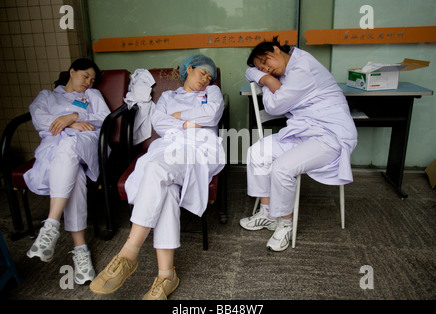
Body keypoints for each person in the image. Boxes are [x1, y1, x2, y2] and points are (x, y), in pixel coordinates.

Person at [90, 54, 225, 299]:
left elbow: (212, 116)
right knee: (167, 190)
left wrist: (179, 120)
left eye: (209, 77)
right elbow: (159, 124)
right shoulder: (167, 97)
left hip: (200, 150)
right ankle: (166, 275)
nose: (206, 79)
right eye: (201, 73)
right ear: (189, 69)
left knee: (157, 170)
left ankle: (128, 253)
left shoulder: (212, 93)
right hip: (167, 150)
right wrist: (191, 121)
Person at [239, 37, 358, 251]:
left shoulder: (302, 68)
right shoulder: (289, 65)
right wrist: (264, 75)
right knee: (257, 151)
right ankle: (267, 214)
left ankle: (285, 225)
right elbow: (249, 72)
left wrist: (266, 80)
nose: (267, 69)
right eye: (262, 67)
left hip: (330, 135)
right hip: (305, 130)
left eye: (266, 61)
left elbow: (275, 106)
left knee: (282, 168)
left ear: (276, 49)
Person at [25, 58, 110, 284]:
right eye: (85, 76)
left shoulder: (91, 96)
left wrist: (74, 116)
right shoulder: (48, 96)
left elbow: (104, 118)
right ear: (72, 72)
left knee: (70, 145)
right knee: (76, 177)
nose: (89, 83)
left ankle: (51, 224)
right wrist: (67, 123)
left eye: (92, 80)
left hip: (85, 143)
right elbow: (39, 118)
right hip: (54, 148)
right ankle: (80, 249)